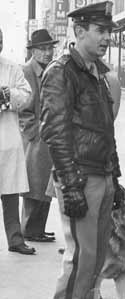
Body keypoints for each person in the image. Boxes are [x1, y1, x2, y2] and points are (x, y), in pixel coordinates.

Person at [39, 2, 123, 299]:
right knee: (81, 263)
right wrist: (71, 185)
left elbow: (106, 130)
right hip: (81, 179)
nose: (106, 39)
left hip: (100, 178)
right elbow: (55, 133)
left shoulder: (97, 74)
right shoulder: (61, 71)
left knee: (95, 264)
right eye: (100, 31)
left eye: (108, 32)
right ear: (79, 31)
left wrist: (114, 175)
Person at [19, 29, 58, 243]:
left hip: (49, 137)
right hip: (36, 139)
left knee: (46, 187)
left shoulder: (51, 69)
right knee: (34, 186)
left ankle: (38, 229)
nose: (47, 53)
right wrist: (34, 133)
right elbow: (23, 110)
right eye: (42, 49)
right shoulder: (27, 71)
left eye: (50, 48)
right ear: (33, 51)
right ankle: (30, 229)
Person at [0, 28, 35, 255]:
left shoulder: (12, 68)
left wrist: (8, 94)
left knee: (10, 193)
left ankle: (15, 239)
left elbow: (26, 95)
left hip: (7, 139)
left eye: (0, 40)